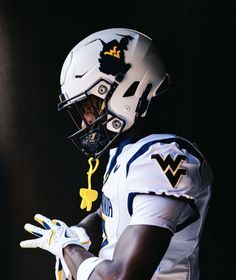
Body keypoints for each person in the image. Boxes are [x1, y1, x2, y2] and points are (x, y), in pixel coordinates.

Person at [20, 27, 213, 280]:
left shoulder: (164, 160)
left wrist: (66, 248)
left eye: (89, 108)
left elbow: (121, 277)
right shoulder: (129, 153)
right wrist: (79, 232)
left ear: (125, 92)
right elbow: (111, 212)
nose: (84, 123)